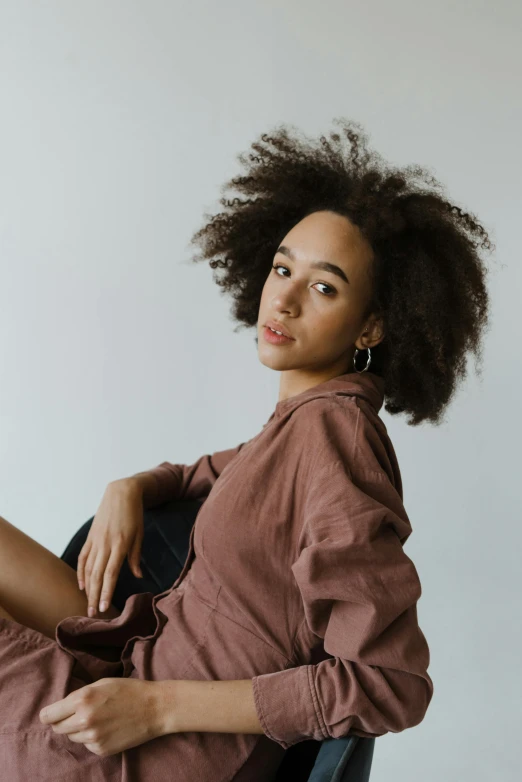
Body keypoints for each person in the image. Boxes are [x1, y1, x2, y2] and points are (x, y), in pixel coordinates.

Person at [0, 118, 492, 781]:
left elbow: (386, 684)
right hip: (132, 669)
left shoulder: (335, 441)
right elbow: (206, 473)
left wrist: (157, 707)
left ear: (372, 323)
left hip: (146, 748)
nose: (283, 298)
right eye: (282, 267)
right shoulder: (300, 425)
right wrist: (132, 487)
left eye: (323, 286)